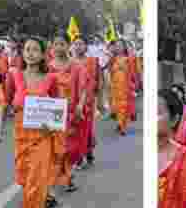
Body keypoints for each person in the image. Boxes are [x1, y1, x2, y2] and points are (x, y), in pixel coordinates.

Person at [2, 36, 62, 208]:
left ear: (44, 54)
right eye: (27, 49)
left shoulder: (51, 79)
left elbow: (58, 106)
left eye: (35, 49)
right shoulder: (14, 76)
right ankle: (38, 205)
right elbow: (7, 101)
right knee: (26, 178)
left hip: (42, 136)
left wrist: (52, 125)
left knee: (37, 176)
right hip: (21, 136)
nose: (30, 53)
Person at [48, 35, 86, 195]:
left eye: (62, 44)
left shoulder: (77, 66)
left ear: (68, 46)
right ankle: (65, 177)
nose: (58, 48)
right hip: (53, 111)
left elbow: (83, 88)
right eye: (56, 44)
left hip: (71, 113)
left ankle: (66, 174)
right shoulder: (48, 67)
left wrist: (80, 106)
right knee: (57, 146)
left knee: (70, 147)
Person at [70, 36, 101, 169]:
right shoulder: (69, 62)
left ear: (86, 46)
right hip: (73, 101)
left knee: (85, 130)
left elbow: (99, 83)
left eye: (81, 44)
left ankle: (83, 155)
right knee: (76, 131)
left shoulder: (93, 62)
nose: (78, 47)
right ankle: (83, 154)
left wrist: (100, 103)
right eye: (75, 44)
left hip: (88, 101)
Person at [105, 39, 137, 136]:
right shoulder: (112, 59)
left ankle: (122, 126)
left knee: (123, 105)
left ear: (124, 47)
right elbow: (109, 71)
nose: (118, 47)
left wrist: (134, 85)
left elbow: (133, 73)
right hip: (115, 86)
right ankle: (119, 122)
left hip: (125, 86)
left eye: (120, 45)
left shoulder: (129, 59)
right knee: (116, 106)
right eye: (117, 45)